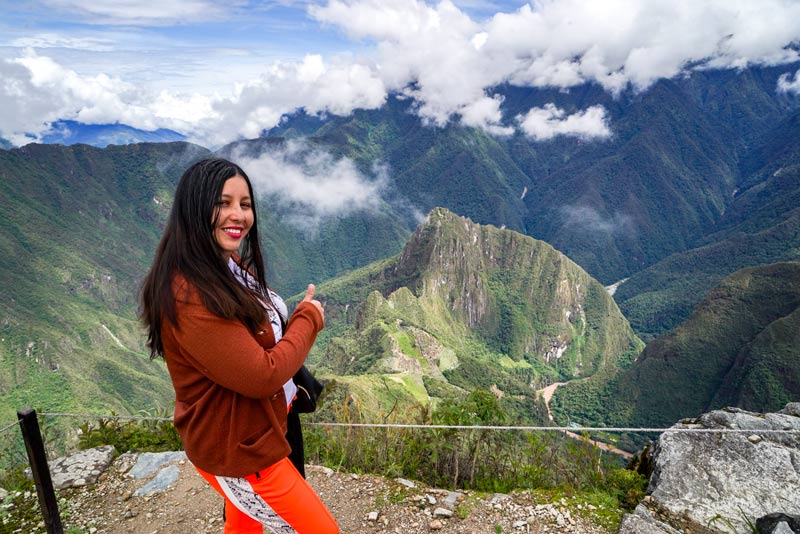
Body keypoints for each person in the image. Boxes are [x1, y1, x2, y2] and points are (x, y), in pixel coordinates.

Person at [140, 157, 339, 534]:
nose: (238, 215)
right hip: (243, 450)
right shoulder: (189, 294)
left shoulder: (223, 266)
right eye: (223, 202)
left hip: (253, 431)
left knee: (244, 525)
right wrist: (308, 318)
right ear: (195, 208)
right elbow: (261, 375)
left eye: (244, 204)